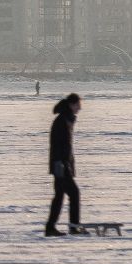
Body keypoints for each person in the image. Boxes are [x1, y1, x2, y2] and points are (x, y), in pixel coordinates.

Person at [45, 93, 83, 236]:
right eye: (78, 105)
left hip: (60, 165)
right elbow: (60, 146)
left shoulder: (66, 119)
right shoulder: (62, 121)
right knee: (74, 193)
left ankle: (50, 227)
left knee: (59, 197)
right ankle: (73, 226)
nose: (79, 109)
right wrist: (62, 164)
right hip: (60, 165)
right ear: (71, 105)